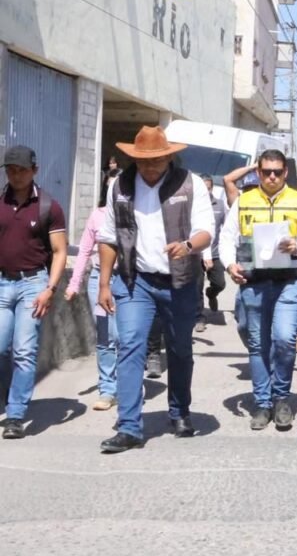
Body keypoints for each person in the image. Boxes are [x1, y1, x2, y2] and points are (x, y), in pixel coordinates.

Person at [96, 126, 214, 452]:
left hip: (180, 282)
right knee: (130, 345)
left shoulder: (190, 184)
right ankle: (129, 427)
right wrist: (104, 283)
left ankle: (179, 412)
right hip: (135, 281)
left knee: (180, 349)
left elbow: (206, 231)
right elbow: (108, 237)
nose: (150, 167)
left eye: (156, 160)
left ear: (168, 157)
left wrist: (188, 245)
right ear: (134, 158)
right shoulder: (120, 185)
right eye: (143, 160)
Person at [221, 149, 297, 431]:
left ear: (286, 172)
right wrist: (229, 264)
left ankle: (282, 398)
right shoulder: (244, 202)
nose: (272, 177)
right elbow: (226, 238)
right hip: (253, 283)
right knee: (258, 344)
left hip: (289, 282)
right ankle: (263, 403)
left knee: (285, 339)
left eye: (277, 171)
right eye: (266, 172)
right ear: (258, 173)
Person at [0, 145, 69, 439]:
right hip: (2, 283)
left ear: (34, 170)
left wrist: (50, 289)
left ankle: (15, 415)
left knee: (24, 351)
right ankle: (8, 396)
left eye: (22, 170)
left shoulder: (48, 206)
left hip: (34, 285)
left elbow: (60, 251)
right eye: (10, 170)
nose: (16, 175)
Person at [66, 168, 122, 411]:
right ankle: (107, 389)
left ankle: (129, 384)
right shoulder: (97, 216)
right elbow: (84, 253)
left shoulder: (135, 214)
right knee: (105, 336)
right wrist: (74, 284)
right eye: (110, 186)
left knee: (123, 336)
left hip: (128, 280)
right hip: (99, 280)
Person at [195, 174, 227, 332]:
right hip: (197, 254)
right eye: (204, 188)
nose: (206, 191)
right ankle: (199, 317)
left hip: (215, 253)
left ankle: (212, 293)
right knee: (197, 287)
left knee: (220, 283)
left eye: (209, 188)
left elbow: (226, 229)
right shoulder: (193, 204)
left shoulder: (219, 205)